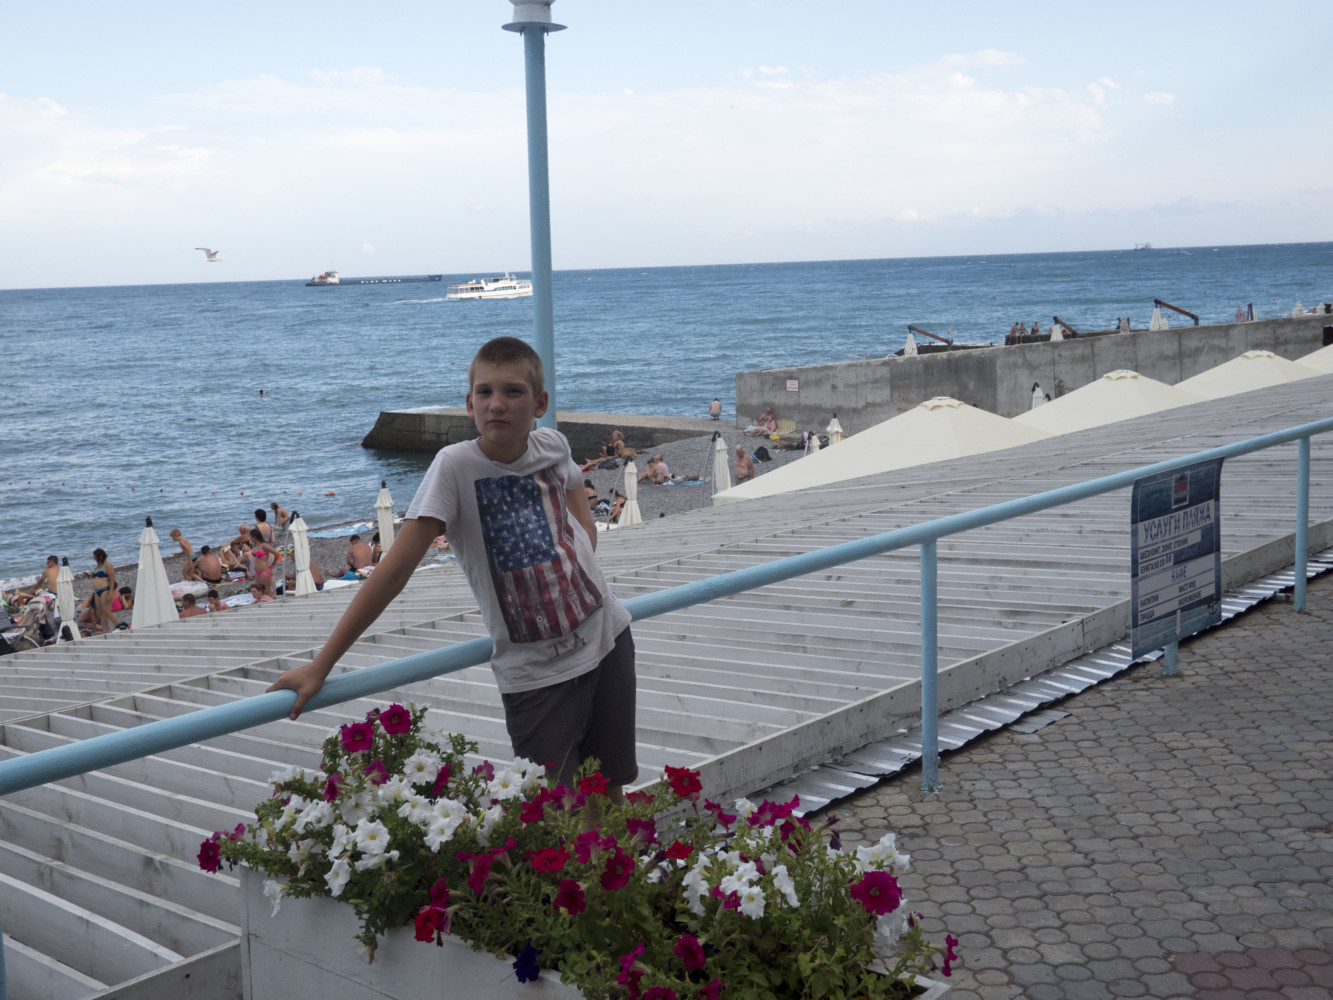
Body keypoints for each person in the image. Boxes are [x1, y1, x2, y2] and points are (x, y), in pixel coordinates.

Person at [268, 336, 636, 797]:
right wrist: (322, 665)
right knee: (556, 812)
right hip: (536, 675)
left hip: (608, 637)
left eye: (513, 391)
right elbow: (392, 572)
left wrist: (574, 572)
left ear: (539, 403)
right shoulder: (455, 467)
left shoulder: (554, 445)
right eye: (485, 392)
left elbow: (582, 520)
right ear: (469, 403)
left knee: (609, 792)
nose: (496, 403)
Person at [90, 548, 117, 635]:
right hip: (97, 591)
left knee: (106, 611)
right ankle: (105, 631)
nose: (94, 558)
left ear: (100, 556)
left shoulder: (108, 565)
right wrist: (89, 575)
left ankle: (119, 625)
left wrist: (111, 593)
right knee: (101, 612)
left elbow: (112, 579)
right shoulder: (98, 565)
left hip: (105, 589)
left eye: (95, 557)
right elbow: (95, 575)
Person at [249, 528, 280, 598]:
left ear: (254, 537)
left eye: (250, 537)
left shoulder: (264, 545)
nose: (250, 539)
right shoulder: (255, 546)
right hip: (257, 572)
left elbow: (277, 553)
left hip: (264, 572)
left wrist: (273, 564)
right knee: (260, 592)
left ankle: (273, 601)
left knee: (267, 591)